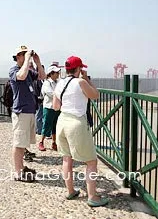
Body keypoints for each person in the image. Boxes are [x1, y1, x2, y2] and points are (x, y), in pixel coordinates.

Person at [53, 56, 109, 207]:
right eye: (81, 68)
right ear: (78, 69)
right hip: (76, 123)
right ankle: (92, 197)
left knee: (67, 159)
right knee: (91, 161)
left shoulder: (60, 83)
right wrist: (87, 79)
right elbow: (95, 95)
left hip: (62, 122)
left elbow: (56, 106)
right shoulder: (81, 82)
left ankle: (70, 191)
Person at [9, 45, 46, 182]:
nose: (26, 56)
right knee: (19, 143)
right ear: (18, 57)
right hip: (21, 111)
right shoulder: (14, 70)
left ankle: (21, 167)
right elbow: (21, 75)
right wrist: (26, 60)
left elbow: (42, 76)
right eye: (23, 54)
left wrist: (37, 62)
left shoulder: (29, 71)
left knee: (23, 143)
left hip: (30, 111)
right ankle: (18, 173)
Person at [38, 65, 61, 151]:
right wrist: (60, 95)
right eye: (56, 73)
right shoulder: (47, 83)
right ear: (51, 74)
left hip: (56, 107)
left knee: (55, 125)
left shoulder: (57, 82)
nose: (58, 74)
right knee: (46, 124)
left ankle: (54, 142)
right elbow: (50, 93)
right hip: (49, 107)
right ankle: (41, 142)